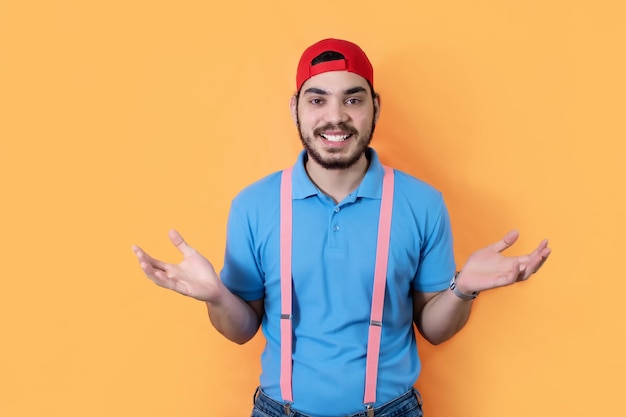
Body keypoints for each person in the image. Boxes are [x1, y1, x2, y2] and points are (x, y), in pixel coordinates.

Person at [132, 38, 551, 417]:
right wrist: (216, 296)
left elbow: (434, 330)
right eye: (318, 101)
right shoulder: (253, 206)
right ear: (295, 108)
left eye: (353, 100)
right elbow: (240, 331)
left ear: (376, 107)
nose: (335, 117)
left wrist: (463, 289)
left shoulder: (422, 204)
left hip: (391, 410)